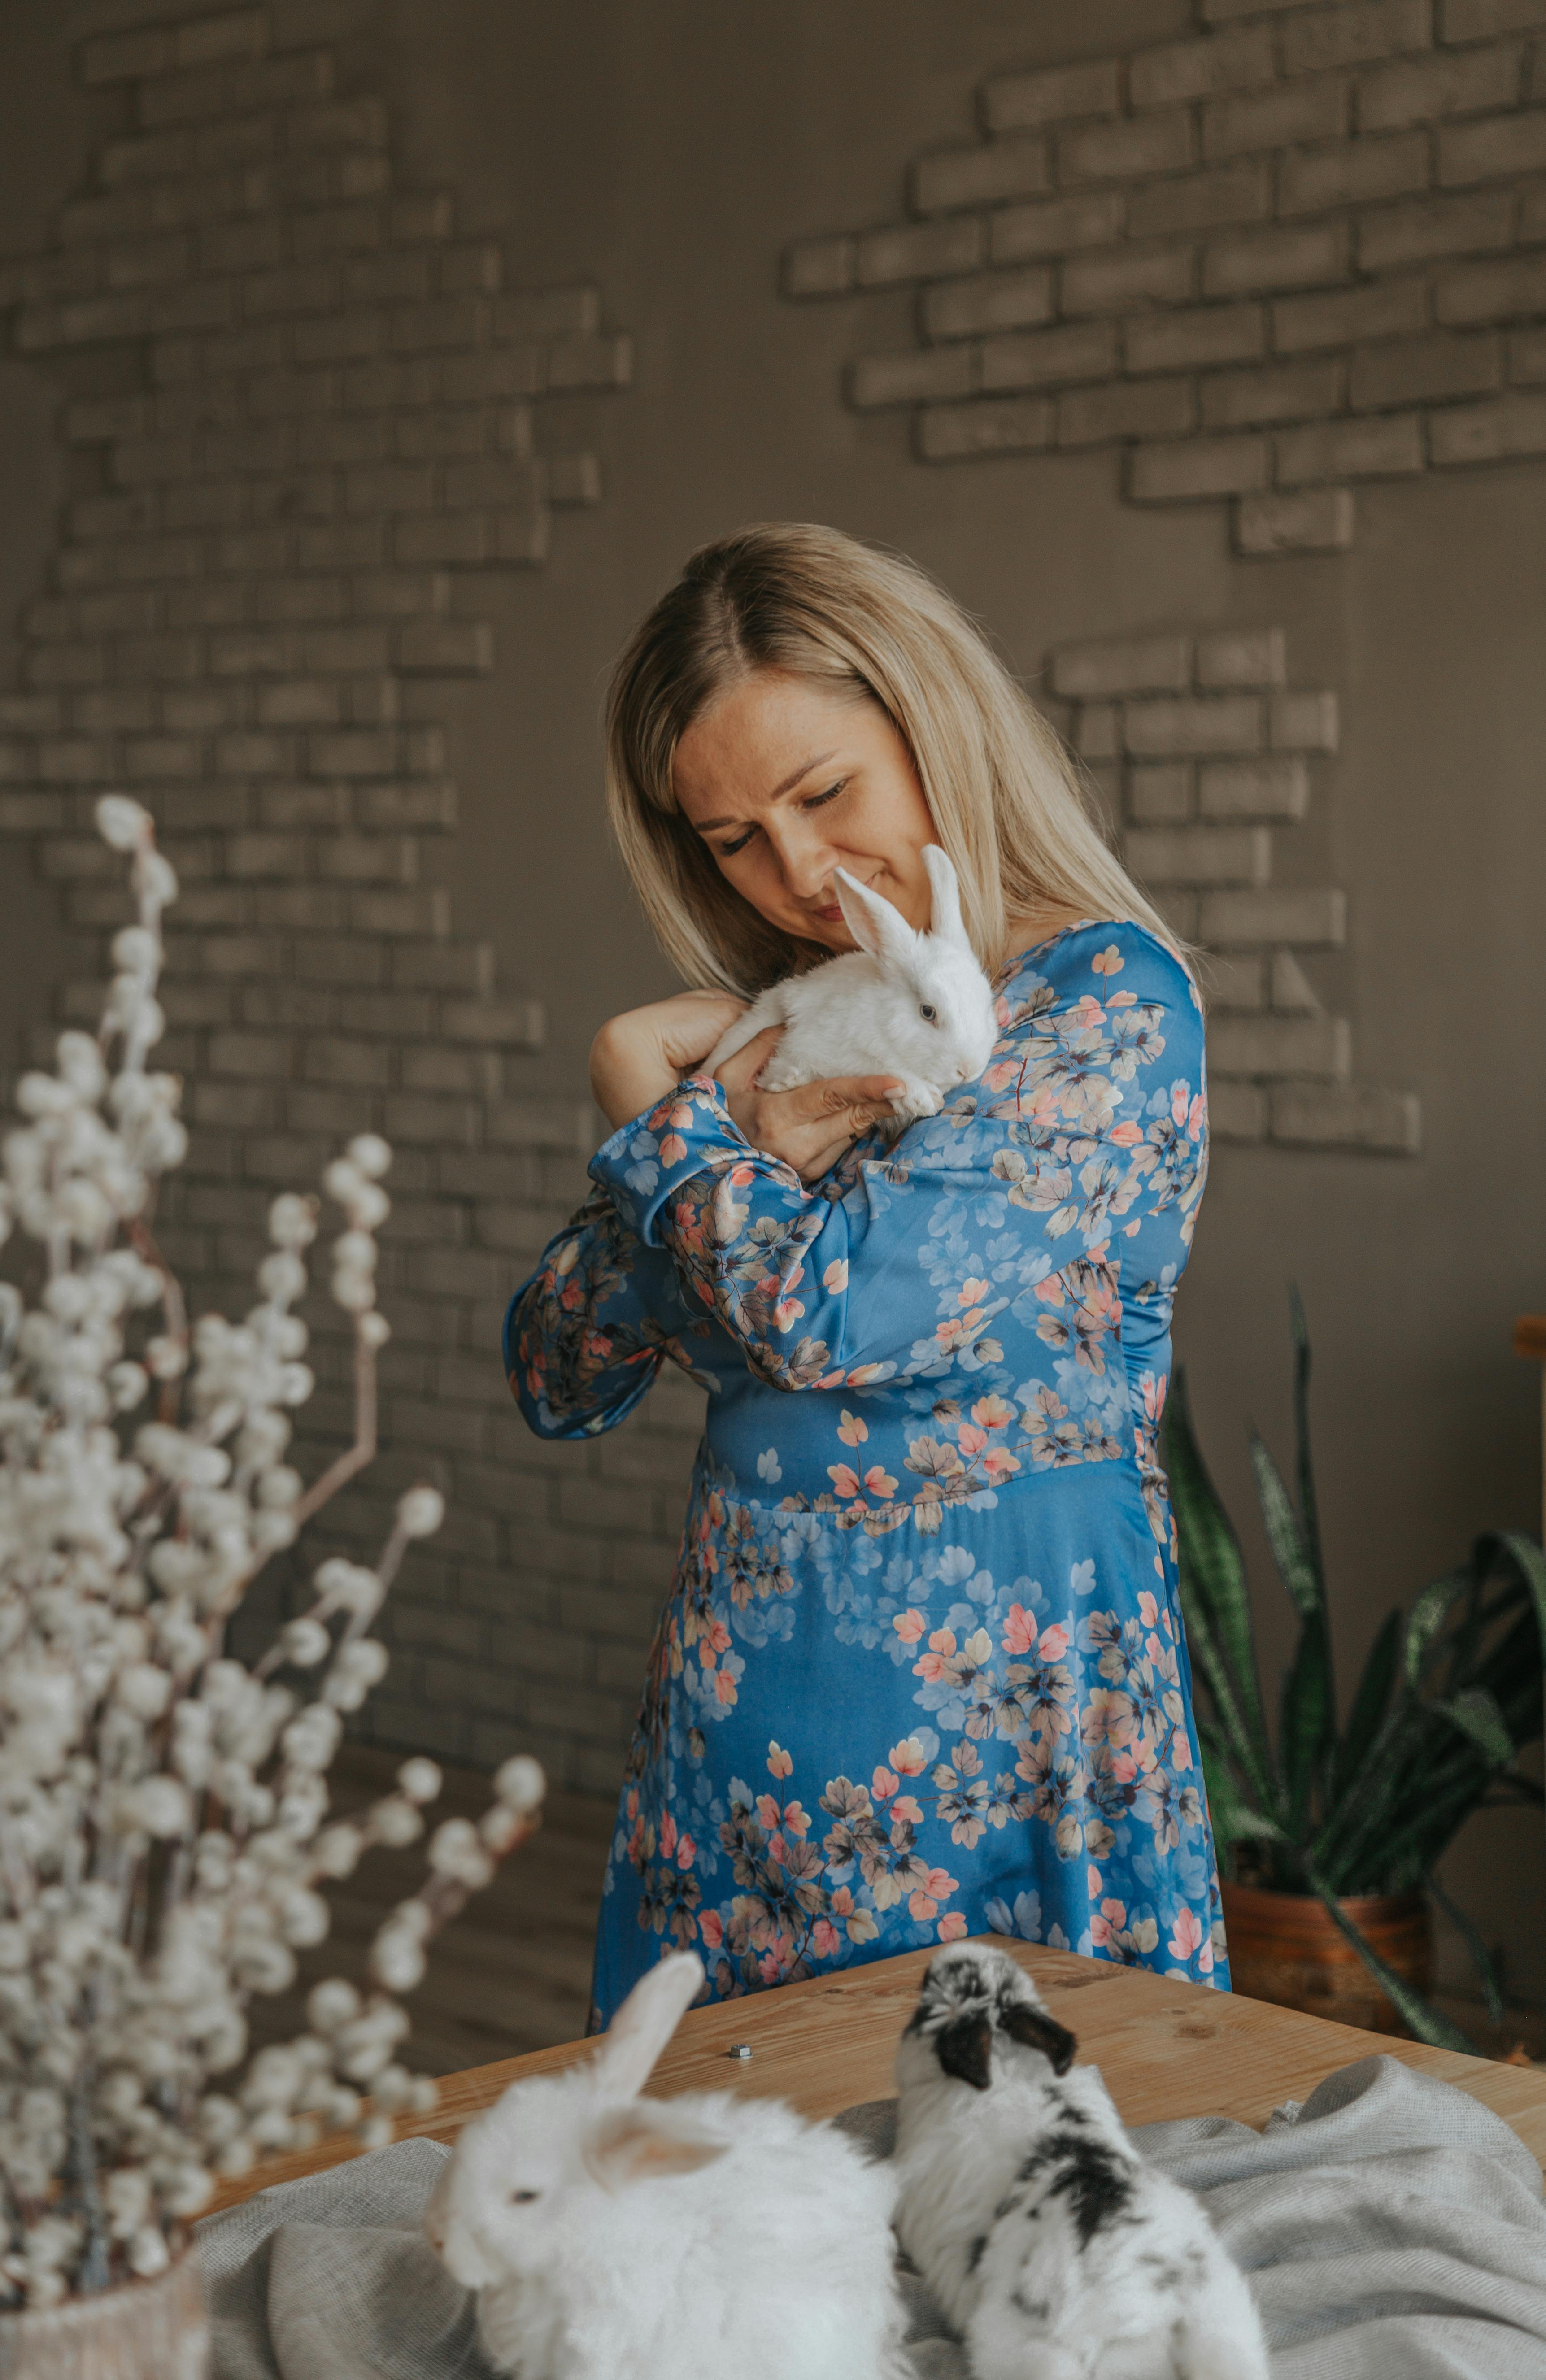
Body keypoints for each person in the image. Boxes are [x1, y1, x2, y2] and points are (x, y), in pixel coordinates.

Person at [505, 522, 1225, 2027]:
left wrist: (664, 1109)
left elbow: (829, 1314)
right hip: (742, 1713)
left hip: (1017, 1716)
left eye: (824, 792)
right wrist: (733, 1134)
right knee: (715, 2222)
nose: (800, 873)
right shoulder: (796, 1022)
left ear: (929, 718)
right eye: (731, 839)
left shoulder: (1103, 1007)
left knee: (1027, 2199)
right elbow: (559, 1369)